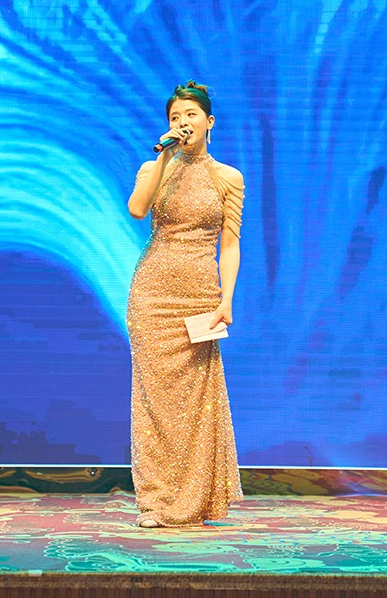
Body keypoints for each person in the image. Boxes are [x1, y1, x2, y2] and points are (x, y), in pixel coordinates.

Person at [125, 80, 245, 528]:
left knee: (196, 399)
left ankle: (195, 499)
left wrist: (226, 299)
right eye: (175, 117)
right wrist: (162, 156)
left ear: (209, 122)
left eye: (190, 115)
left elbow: (229, 244)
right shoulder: (153, 167)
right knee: (154, 399)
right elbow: (138, 210)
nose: (183, 122)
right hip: (153, 293)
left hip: (200, 293)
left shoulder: (228, 177)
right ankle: (155, 501)